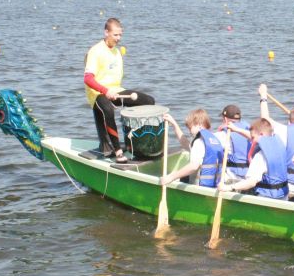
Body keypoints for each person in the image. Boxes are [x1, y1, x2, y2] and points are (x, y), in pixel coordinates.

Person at [84, 17, 155, 163]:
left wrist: (113, 91)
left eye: (120, 35)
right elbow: (88, 79)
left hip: (116, 90)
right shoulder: (95, 51)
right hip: (97, 93)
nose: (118, 38)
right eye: (115, 35)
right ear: (106, 33)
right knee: (108, 110)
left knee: (149, 101)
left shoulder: (117, 52)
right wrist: (105, 91)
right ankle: (118, 151)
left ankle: (136, 143)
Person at [257, 83, 294, 195]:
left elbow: (265, 119)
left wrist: (263, 96)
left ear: (289, 122)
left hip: (289, 184)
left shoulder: (285, 130)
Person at [218, 118, 288, 199]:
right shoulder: (279, 144)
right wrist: (237, 130)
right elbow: (257, 136)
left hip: (266, 198)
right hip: (283, 195)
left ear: (261, 135)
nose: (251, 141)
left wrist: (229, 187)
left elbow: (251, 182)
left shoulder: (260, 156)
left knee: (238, 187)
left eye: (253, 137)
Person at [160, 109, 224, 187]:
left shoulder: (199, 142)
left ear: (199, 124)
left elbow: (193, 166)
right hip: (213, 185)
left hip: (200, 187)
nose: (189, 131)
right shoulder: (213, 139)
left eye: (190, 128)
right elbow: (186, 144)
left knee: (180, 176)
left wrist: (171, 177)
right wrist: (174, 124)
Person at [215, 104, 251, 181]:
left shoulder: (222, 135)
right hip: (249, 175)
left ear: (225, 119)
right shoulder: (250, 130)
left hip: (233, 176)